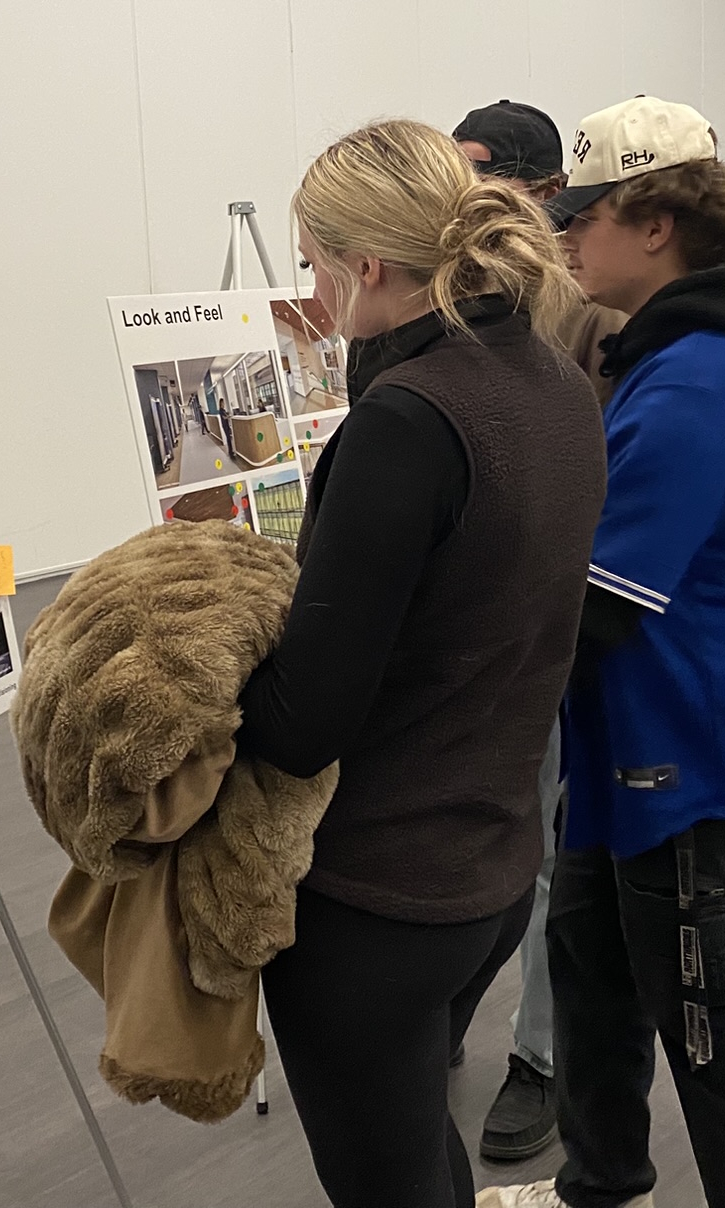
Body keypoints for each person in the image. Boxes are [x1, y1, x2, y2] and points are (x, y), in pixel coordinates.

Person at [235, 119, 607, 1208]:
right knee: (413, 1156)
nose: (308, 287)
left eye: (310, 263)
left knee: (385, 1178)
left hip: (374, 897)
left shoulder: (407, 421)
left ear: (363, 267)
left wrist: (197, 674)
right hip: (488, 863)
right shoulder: (545, 380)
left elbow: (305, 720)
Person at [482, 96, 725, 1208]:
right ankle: (601, 1185)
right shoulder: (691, 354)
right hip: (640, 735)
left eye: (581, 214)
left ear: (655, 221)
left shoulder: (692, 382)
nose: (562, 236)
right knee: (587, 969)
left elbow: (595, 603)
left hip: (682, 750)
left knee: (712, 1013)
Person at [450, 99, 627, 1164]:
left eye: (474, 169)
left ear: (539, 187)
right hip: (463, 619)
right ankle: (442, 1012)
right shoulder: (447, 292)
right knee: (472, 825)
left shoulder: (590, 314)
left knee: (558, 848)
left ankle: (545, 1055)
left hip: (558, 616)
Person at [456, 99, 629, 404]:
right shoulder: (448, 291)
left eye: (485, 189)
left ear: (548, 194)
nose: (464, 204)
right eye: (456, 186)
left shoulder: (594, 305)